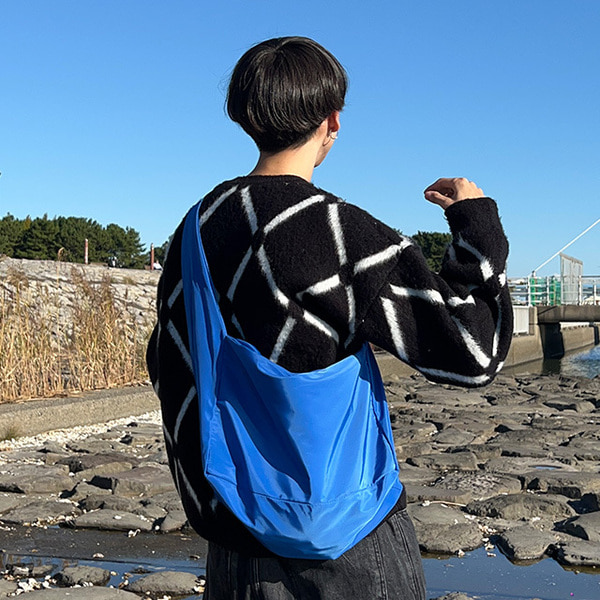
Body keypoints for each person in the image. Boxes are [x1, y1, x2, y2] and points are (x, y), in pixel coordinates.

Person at [147, 36, 512, 600]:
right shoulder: (341, 233)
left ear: (245, 116)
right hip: (344, 541)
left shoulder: (194, 231)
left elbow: (168, 362)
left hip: (234, 540)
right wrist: (476, 227)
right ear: (331, 121)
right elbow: (473, 352)